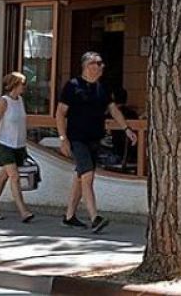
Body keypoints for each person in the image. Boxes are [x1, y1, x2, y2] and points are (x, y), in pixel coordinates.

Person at [55, 51, 135, 232]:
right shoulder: (72, 86)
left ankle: (69, 216)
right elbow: (60, 113)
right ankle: (94, 217)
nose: (101, 66)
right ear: (87, 66)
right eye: (97, 63)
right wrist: (63, 138)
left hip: (95, 139)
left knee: (80, 177)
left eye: (101, 63)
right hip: (77, 139)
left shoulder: (102, 88)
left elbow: (113, 110)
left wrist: (126, 129)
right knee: (88, 176)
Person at [0, 72, 35, 222]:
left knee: (2, 177)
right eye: (22, 84)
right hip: (4, 144)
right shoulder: (4, 101)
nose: (24, 87)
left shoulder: (20, 101)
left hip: (18, 145)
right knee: (14, 177)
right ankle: (23, 211)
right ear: (14, 85)